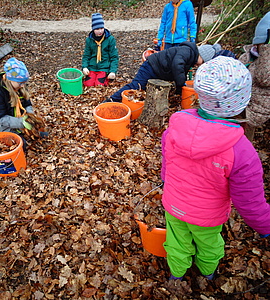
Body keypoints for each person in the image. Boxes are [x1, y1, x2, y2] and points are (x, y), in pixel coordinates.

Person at [160, 56, 270, 281]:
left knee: (176, 242)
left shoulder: (174, 129)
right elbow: (249, 202)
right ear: (242, 101)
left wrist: (166, 183)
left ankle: (176, 276)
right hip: (206, 216)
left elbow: (167, 166)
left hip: (173, 205)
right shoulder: (242, 151)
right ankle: (207, 274)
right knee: (209, 245)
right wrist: (265, 226)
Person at [104, 42, 216, 102]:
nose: (200, 65)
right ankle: (112, 100)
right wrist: (181, 86)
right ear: (201, 56)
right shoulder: (187, 51)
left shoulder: (190, 56)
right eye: (203, 62)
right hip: (151, 67)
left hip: (159, 71)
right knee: (136, 86)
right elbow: (177, 66)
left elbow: (181, 72)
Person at [0, 57, 46, 147]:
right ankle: (19, 135)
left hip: (18, 117)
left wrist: (30, 117)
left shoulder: (19, 86)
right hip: (3, 125)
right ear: (10, 79)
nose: (23, 86)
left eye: (24, 83)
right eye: (20, 83)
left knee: (38, 132)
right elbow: (1, 118)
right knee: (21, 146)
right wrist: (22, 122)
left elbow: (27, 104)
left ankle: (23, 132)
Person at [238, 11, 270, 141]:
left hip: (255, 108)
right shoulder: (250, 56)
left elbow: (264, 78)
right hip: (245, 106)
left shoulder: (260, 57)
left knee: (244, 137)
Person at [82, 13, 119, 87]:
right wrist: (85, 67)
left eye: (101, 28)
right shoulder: (89, 40)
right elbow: (86, 55)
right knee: (88, 84)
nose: (100, 31)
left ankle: (105, 78)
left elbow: (114, 57)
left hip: (104, 68)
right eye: (97, 29)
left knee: (99, 85)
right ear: (93, 29)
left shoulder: (110, 39)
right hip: (92, 67)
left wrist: (112, 71)